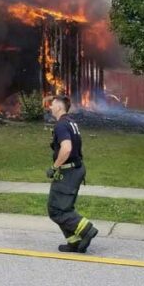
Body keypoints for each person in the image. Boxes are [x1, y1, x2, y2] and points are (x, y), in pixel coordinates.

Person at [45, 95, 98, 253]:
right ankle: (73, 242)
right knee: (63, 208)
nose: (50, 107)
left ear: (60, 107)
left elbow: (66, 148)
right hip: (75, 169)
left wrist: (55, 167)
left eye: (53, 105)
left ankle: (86, 229)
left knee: (55, 209)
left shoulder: (61, 125)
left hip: (69, 171)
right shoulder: (71, 122)